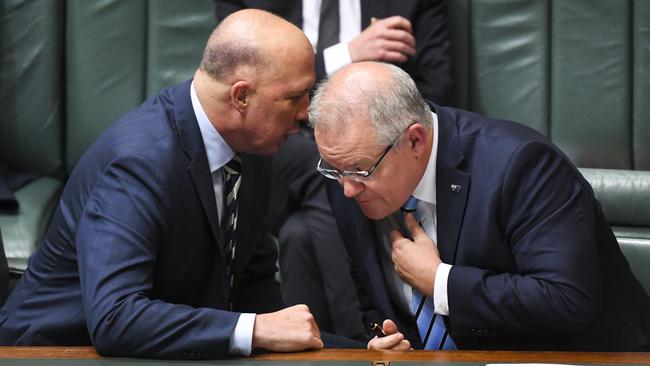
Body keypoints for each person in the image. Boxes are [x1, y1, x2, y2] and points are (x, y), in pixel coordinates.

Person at [0, 10, 324, 359]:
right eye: (294, 97)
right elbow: (115, 318)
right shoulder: (140, 162)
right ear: (241, 96)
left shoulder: (253, 145)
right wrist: (255, 329)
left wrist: (325, 347)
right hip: (54, 351)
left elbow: (252, 279)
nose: (306, 111)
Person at [310, 61, 650, 351]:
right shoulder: (345, 172)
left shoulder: (520, 164)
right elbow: (371, 298)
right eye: (334, 169)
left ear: (415, 139)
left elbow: (568, 301)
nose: (348, 189)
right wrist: (388, 338)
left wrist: (442, 282)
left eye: (360, 171)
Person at [215, 0, 453, 340]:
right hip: (275, 139)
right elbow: (231, 76)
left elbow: (435, 92)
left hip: (370, 137)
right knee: (336, 172)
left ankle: (316, 346)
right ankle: (361, 340)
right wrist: (345, 55)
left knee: (301, 233)